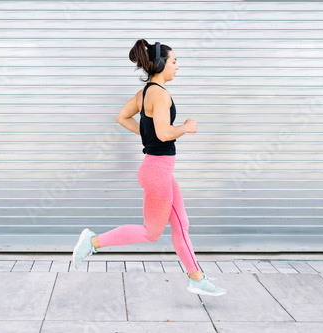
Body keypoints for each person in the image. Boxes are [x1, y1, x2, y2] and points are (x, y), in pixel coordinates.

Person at [72, 39, 226, 297]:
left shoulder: (144, 94)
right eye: (174, 61)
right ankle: (92, 241)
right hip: (157, 172)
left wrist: (146, 136)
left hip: (158, 169)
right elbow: (165, 133)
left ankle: (196, 277)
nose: (178, 66)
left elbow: (122, 117)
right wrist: (186, 128)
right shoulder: (161, 95)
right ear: (161, 64)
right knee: (151, 232)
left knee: (181, 223)